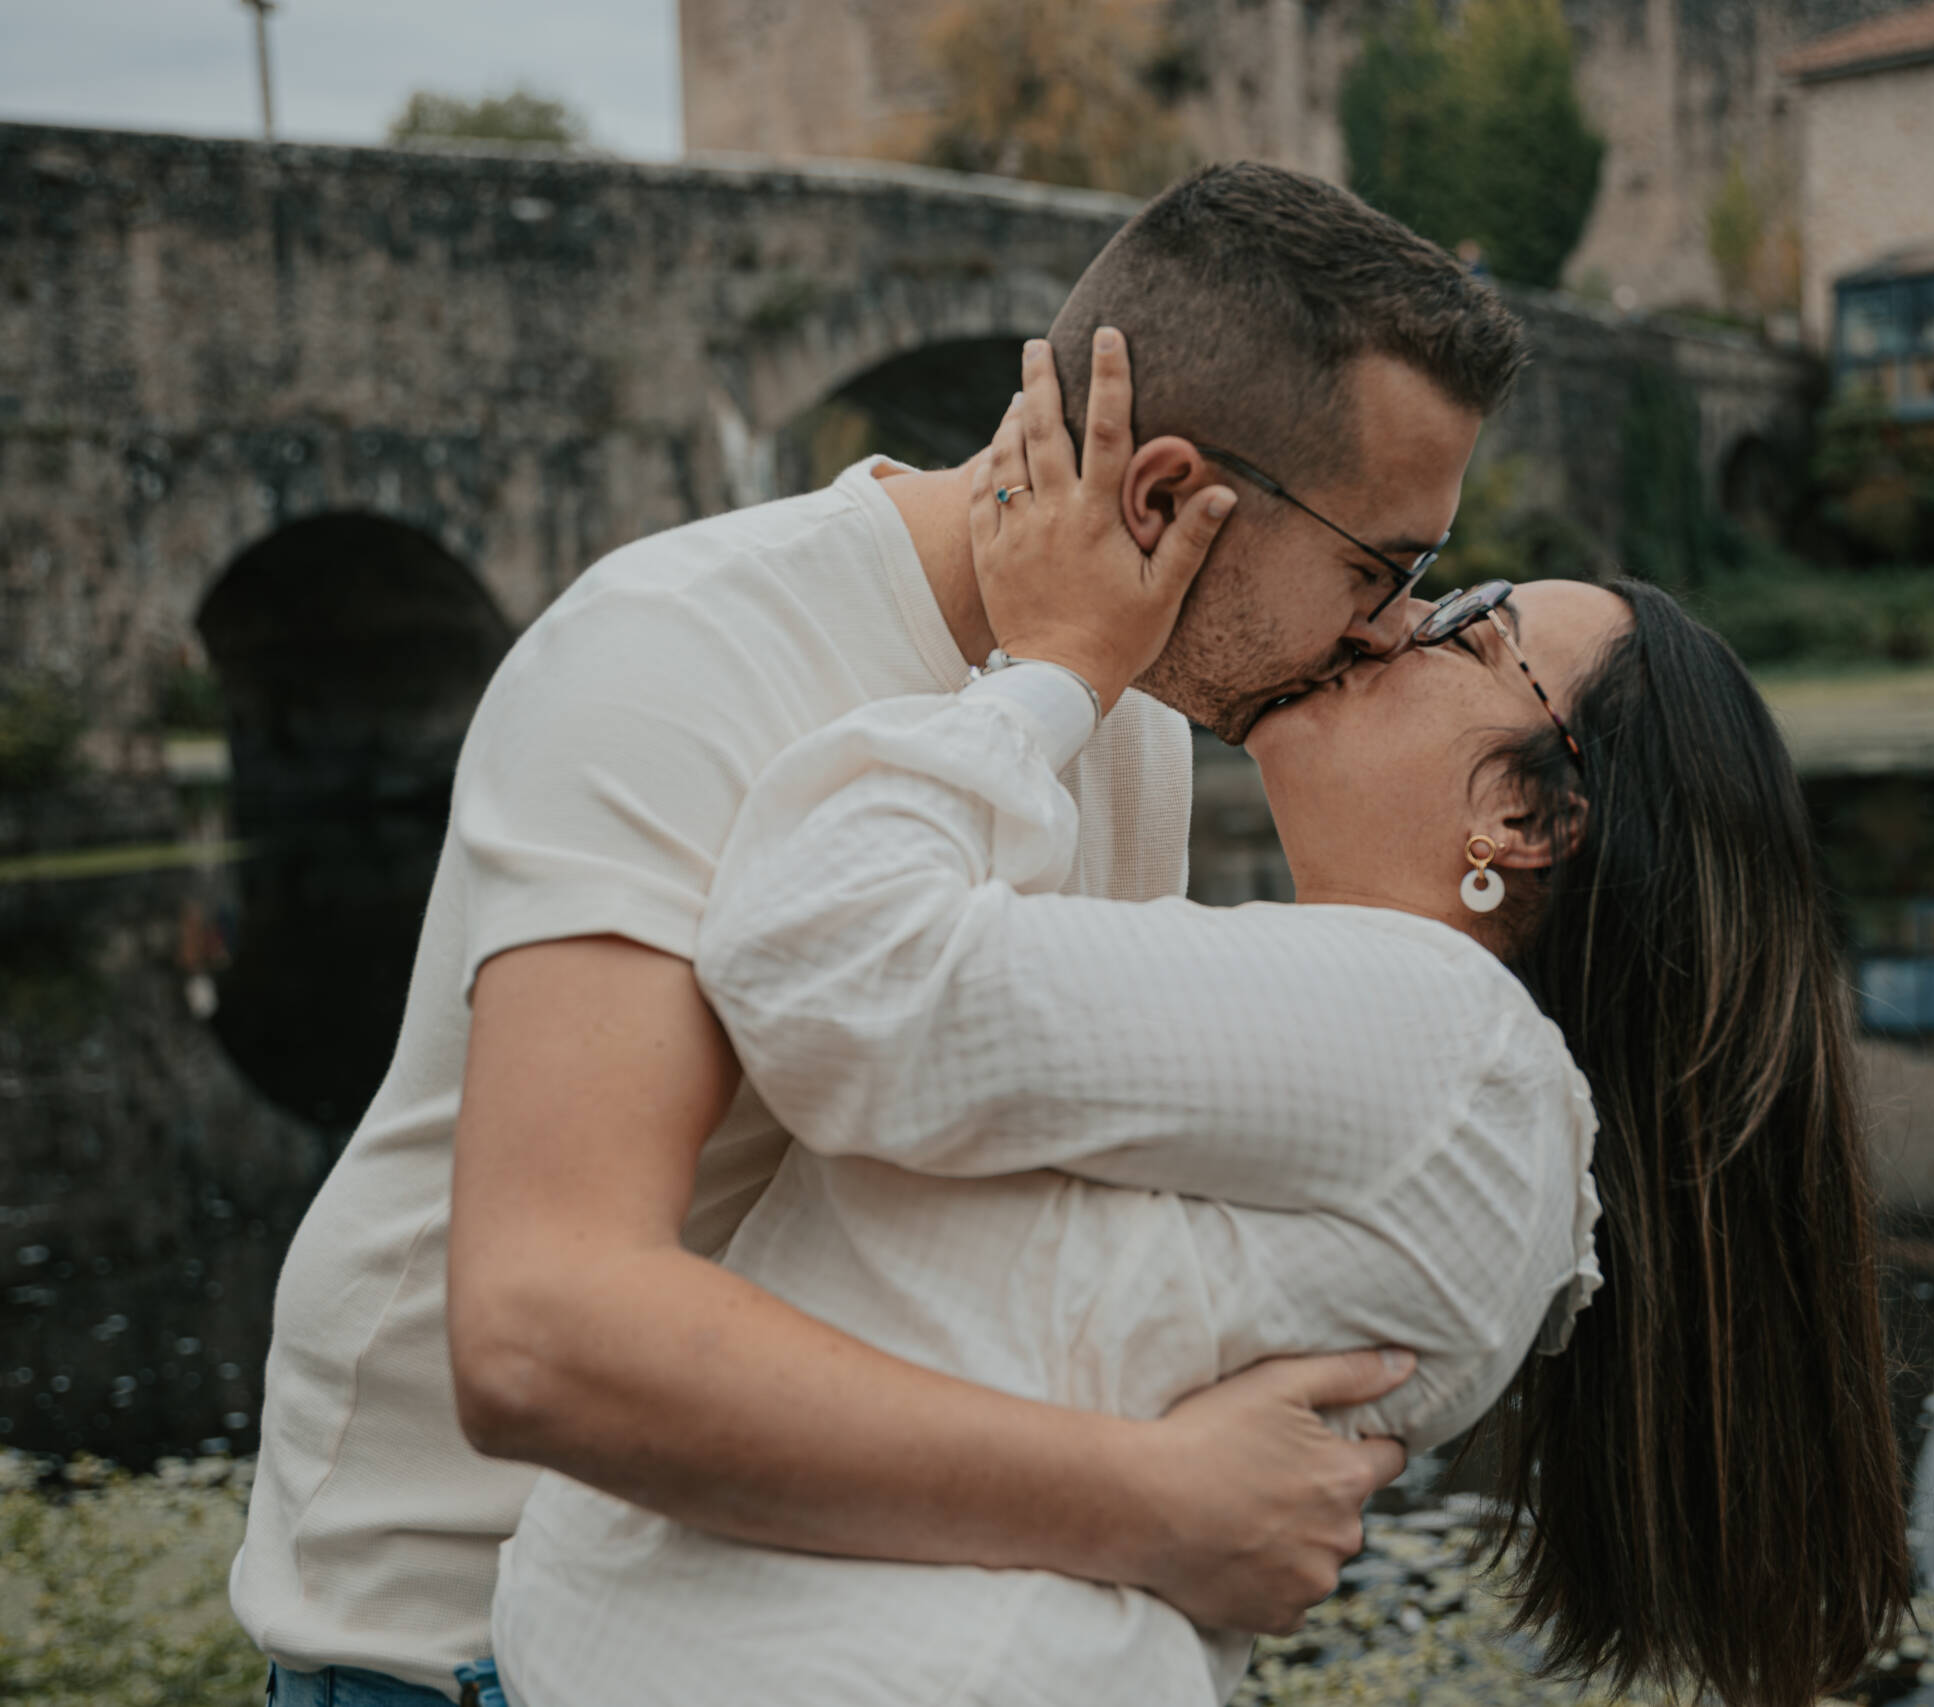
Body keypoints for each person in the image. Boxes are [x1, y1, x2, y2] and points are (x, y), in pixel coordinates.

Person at [232, 162, 1530, 1703]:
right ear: (1167, 496)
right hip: (458, 1654)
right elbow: (539, 1333)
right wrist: (1155, 1504)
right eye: (1381, 572)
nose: (1392, 632)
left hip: (805, 1630)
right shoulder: (676, 655)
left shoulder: (1135, 727)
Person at [491, 355, 1913, 1706]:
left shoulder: (1442, 1040)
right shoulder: (1449, 1079)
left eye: (1469, 622)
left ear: (1529, 816)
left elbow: (821, 965)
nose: (1387, 624)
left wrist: (1049, 670)